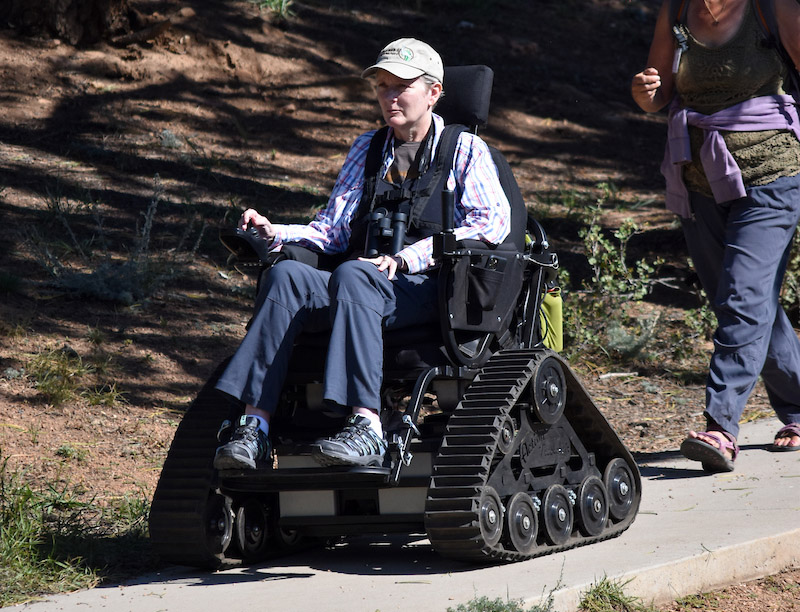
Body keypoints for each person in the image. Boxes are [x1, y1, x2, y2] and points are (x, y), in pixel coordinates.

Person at [212, 38, 511, 469]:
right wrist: (274, 232)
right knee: (285, 277)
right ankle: (254, 428)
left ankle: (366, 426)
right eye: (383, 86)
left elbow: (490, 224)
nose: (389, 96)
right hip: (366, 282)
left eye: (401, 86)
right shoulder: (367, 149)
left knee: (355, 273)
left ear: (434, 92)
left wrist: (408, 258)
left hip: (433, 287)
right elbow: (331, 231)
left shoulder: (465, 150)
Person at [631, 0, 800, 471]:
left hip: (772, 176)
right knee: (749, 301)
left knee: (742, 297)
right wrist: (644, 90)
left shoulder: (774, 7)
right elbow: (655, 93)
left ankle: (721, 426)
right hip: (701, 177)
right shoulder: (678, 8)